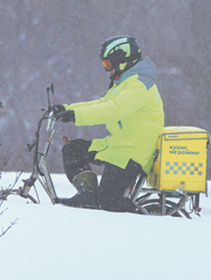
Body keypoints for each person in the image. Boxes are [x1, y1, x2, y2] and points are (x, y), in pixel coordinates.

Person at [52, 36, 164, 212]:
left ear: (123, 61)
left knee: (109, 202)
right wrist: (67, 109)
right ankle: (88, 194)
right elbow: (101, 104)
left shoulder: (140, 85)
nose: (107, 70)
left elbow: (114, 109)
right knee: (73, 150)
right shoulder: (125, 82)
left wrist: (76, 116)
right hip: (119, 147)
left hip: (133, 154)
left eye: (108, 64)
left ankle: (139, 222)